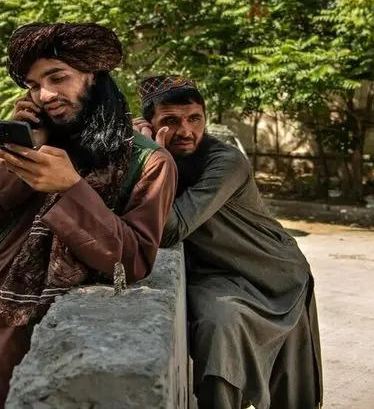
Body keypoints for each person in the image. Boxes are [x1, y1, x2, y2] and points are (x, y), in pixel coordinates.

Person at [0, 23, 178, 409]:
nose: (46, 95)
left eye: (58, 77)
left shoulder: (149, 161)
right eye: (35, 85)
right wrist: (23, 150)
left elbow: (132, 260)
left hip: (25, 335)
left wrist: (70, 188)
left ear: (95, 76)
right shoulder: (41, 138)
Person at [134, 75, 323, 409]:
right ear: (150, 123)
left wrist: (152, 157)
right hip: (217, 275)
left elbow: (170, 229)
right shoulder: (157, 154)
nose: (186, 130)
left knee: (291, 392)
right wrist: (146, 152)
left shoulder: (225, 162)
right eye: (171, 121)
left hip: (271, 274)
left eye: (195, 119)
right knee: (218, 339)